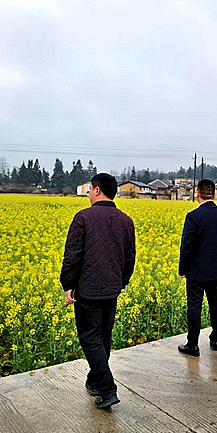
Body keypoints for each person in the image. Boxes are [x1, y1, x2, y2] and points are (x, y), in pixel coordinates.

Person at [60, 173, 136, 409]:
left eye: (89, 189)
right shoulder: (126, 220)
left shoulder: (83, 217)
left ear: (97, 190)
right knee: (104, 337)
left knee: (91, 339)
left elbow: (72, 256)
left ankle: (107, 387)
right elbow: (129, 257)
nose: (88, 193)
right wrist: (122, 282)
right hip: (112, 289)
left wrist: (68, 285)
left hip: (88, 289)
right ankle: (94, 380)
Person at [178, 179, 217, 357]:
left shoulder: (193, 216)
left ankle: (192, 345)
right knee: (215, 303)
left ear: (197, 194)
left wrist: (183, 269)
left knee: (194, 306)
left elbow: (187, 245)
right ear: (214, 194)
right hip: (216, 269)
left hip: (196, 270)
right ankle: (216, 339)